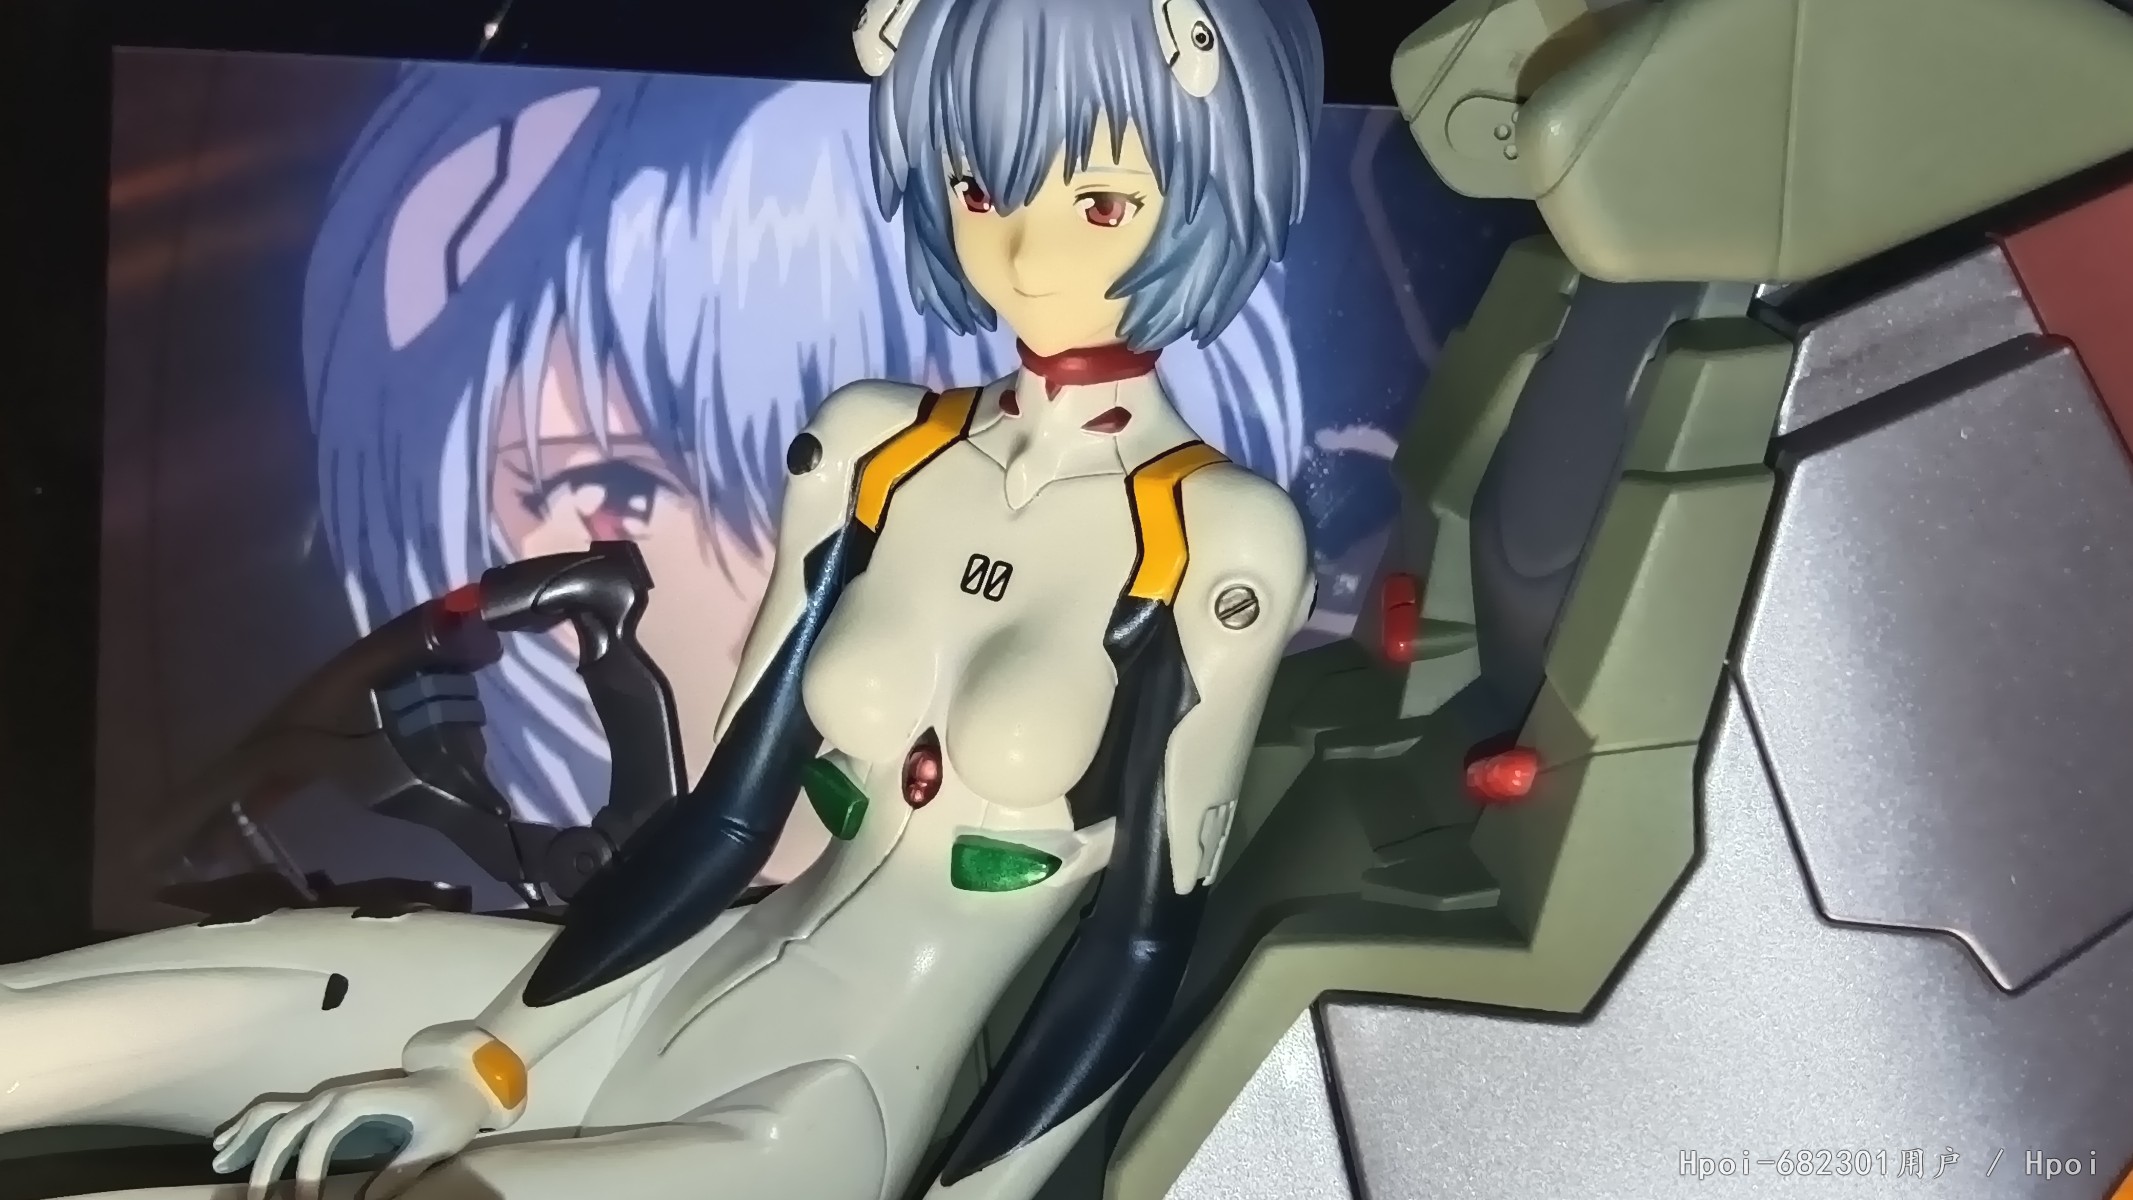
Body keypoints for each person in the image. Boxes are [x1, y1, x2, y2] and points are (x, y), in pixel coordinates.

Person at [156, 62, 1309, 899]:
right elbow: (728, 817)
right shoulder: (867, 443)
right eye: (623, 484)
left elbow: (1150, 935)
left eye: (1097, 207)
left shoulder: (1201, 530)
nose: (746, 572)